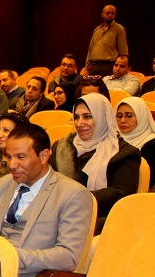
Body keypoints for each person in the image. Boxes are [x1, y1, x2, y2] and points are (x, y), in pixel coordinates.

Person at [0, 124, 93, 277]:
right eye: (8, 156)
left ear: (43, 156)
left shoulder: (72, 194)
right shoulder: (2, 185)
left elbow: (68, 256)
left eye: (20, 157)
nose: (12, 165)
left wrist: (14, 257)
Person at [51, 94, 140, 233]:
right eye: (76, 117)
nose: (79, 123)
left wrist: (76, 199)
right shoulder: (62, 147)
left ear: (103, 118)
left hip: (100, 219)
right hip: (56, 214)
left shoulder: (124, 153)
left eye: (87, 116)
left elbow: (121, 193)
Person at [116, 97, 155, 187]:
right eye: (119, 116)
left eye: (129, 115)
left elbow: (154, 180)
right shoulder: (114, 139)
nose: (122, 120)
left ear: (141, 116)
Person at [85, 5, 127, 78]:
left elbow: (123, 52)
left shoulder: (119, 29)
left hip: (108, 66)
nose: (110, 15)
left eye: (112, 13)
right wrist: (87, 66)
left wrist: (120, 68)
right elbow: (90, 50)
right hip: (94, 66)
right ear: (102, 14)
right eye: (108, 13)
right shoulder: (97, 29)